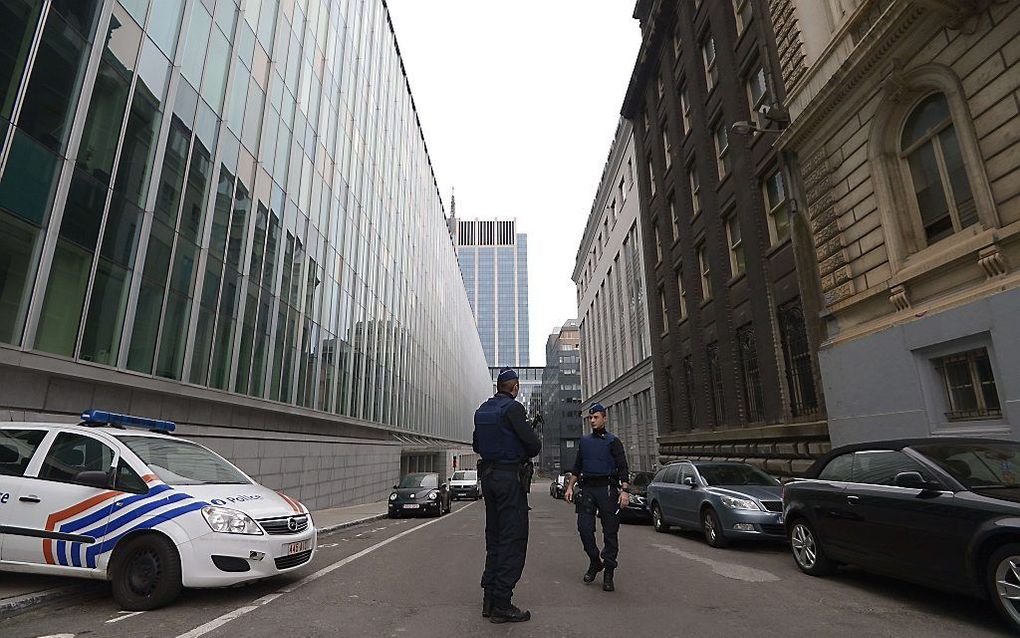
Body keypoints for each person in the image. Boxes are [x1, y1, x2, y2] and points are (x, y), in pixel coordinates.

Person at [472, 367, 541, 623]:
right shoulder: (514, 409)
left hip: (489, 479)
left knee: (495, 537)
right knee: (513, 539)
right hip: (509, 479)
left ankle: (489, 598)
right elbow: (533, 446)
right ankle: (502, 603)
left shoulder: (483, 410)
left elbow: (477, 445)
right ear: (514, 387)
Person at [564, 402, 630, 592]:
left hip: (608, 489)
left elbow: (623, 467)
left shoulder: (613, 441)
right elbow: (577, 467)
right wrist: (570, 486)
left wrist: (625, 491)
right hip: (588, 490)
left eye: (596, 417)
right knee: (584, 528)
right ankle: (595, 561)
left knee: (610, 532)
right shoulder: (584, 442)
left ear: (604, 418)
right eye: (590, 418)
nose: (592, 420)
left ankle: (609, 570)